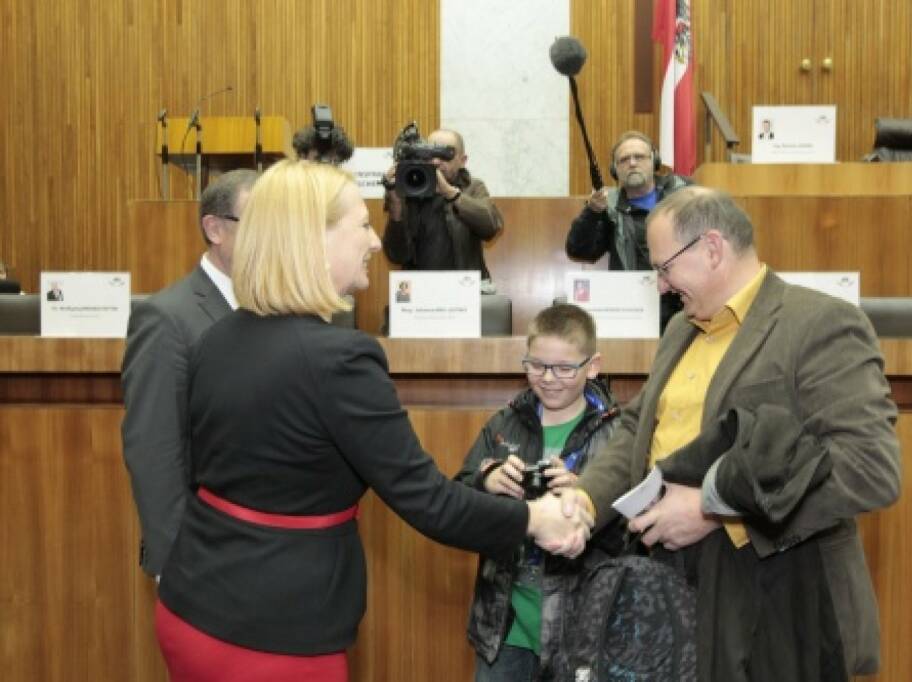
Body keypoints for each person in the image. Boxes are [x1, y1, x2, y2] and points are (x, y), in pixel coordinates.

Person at [153, 160, 591, 682]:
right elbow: (429, 500)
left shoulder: (216, 337)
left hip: (192, 607)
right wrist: (535, 520)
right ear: (313, 241)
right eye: (362, 225)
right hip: (274, 634)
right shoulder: (340, 359)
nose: (376, 242)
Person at [565, 187, 901, 681]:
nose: (660, 286)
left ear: (712, 249)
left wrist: (713, 507)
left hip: (781, 611)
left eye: (663, 267)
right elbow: (640, 424)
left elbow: (868, 469)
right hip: (676, 601)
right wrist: (585, 503)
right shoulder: (681, 328)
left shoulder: (820, 324)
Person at [455, 304, 622, 681]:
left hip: (584, 628)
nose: (549, 378)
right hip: (503, 627)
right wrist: (487, 481)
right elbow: (456, 499)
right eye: (536, 365)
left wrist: (588, 495)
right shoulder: (504, 424)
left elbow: (636, 530)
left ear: (593, 366)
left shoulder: (617, 434)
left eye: (564, 368)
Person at [121, 168, 259, 578]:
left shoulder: (274, 308)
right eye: (260, 223)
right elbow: (153, 449)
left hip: (262, 555)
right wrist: (177, 563)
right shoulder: (166, 317)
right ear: (215, 229)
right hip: (200, 557)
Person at [565, 131, 694, 332]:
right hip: (632, 310)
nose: (632, 163)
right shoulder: (609, 206)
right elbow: (579, 250)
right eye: (624, 159)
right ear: (615, 170)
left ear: (654, 161)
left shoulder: (684, 193)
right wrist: (593, 212)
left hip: (683, 306)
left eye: (639, 157)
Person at [382, 128, 502, 280]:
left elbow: (491, 227)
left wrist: (451, 194)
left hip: (465, 289)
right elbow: (396, 255)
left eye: (445, 155)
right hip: (420, 291)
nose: (436, 162)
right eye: (430, 154)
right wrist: (396, 202)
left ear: (463, 161)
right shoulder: (410, 191)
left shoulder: (473, 187)